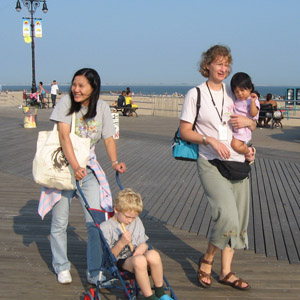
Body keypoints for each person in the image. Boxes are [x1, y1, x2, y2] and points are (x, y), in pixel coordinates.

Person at [37, 68, 126, 285]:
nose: (76, 89)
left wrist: (114, 162)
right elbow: (64, 137)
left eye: (81, 86)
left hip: (89, 168)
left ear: (93, 88)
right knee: (60, 221)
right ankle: (61, 266)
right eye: (74, 85)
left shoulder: (102, 107)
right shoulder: (66, 104)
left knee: (95, 222)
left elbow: (108, 138)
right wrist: (75, 166)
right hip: (63, 167)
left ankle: (94, 272)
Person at [180, 45, 256, 290]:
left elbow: (248, 120)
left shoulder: (232, 92)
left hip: (238, 162)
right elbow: (185, 131)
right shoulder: (196, 94)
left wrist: (250, 123)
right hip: (210, 162)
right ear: (207, 65)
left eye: (226, 64)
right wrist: (209, 139)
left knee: (239, 221)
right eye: (218, 63)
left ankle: (226, 272)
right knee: (227, 216)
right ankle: (207, 259)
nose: (223, 68)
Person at [101, 188, 174, 300]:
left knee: (153, 254)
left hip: (137, 255)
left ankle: (160, 292)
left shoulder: (137, 221)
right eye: (127, 217)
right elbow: (109, 257)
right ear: (116, 209)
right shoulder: (106, 227)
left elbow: (144, 243)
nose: (130, 220)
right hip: (120, 261)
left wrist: (142, 247)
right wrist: (121, 243)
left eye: (133, 217)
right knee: (139, 260)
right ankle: (149, 297)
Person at [230, 72, 260, 163]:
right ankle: (247, 153)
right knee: (235, 144)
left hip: (244, 129)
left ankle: (249, 151)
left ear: (250, 88)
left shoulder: (251, 100)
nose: (239, 93)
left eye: (242, 90)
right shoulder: (237, 100)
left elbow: (253, 113)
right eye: (236, 91)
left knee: (235, 145)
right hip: (236, 127)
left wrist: (253, 102)